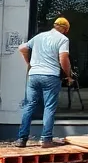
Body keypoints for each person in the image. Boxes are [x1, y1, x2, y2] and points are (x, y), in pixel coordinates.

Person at [14, 16, 74, 148]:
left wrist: (29, 63)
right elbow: (63, 58)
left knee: (29, 106)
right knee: (49, 107)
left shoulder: (39, 36)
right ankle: (46, 139)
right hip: (50, 76)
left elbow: (22, 48)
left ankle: (21, 139)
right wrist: (68, 75)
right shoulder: (63, 39)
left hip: (34, 75)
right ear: (64, 29)